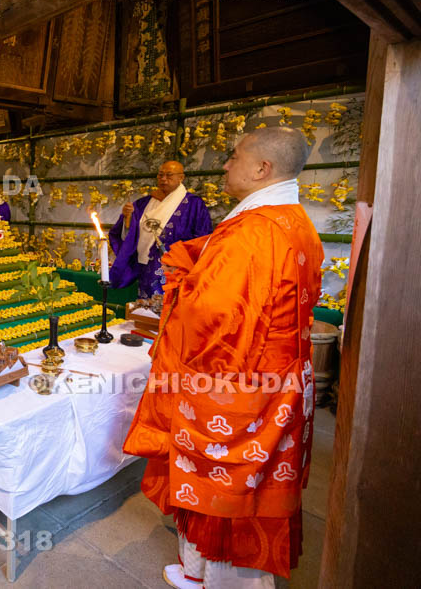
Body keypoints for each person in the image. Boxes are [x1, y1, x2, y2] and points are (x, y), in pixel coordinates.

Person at [122, 128, 324, 588]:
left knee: (227, 482)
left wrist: (181, 286)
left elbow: (213, 316)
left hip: (238, 383)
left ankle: (225, 580)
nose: (226, 165)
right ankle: (199, 569)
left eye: (235, 157)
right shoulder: (293, 221)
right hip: (278, 378)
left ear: (262, 170)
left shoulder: (254, 232)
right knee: (254, 480)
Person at [109, 161, 212, 298]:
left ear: (181, 178)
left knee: (169, 311)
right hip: (145, 268)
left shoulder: (194, 204)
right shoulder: (143, 203)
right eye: (160, 175)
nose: (163, 179)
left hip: (175, 271)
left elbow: (202, 239)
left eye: (169, 175)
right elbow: (129, 235)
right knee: (146, 312)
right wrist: (127, 219)